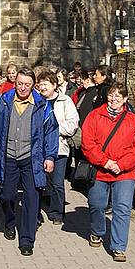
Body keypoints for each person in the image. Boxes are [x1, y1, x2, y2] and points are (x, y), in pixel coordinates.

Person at [0, 66, 59, 256]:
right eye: (19, 84)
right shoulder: (4, 101)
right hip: (8, 156)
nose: (23, 88)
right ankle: (9, 221)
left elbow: (51, 132)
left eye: (27, 85)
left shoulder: (42, 105)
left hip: (31, 158)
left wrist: (49, 156)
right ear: (15, 82)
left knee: (32, 199)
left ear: (33, 85)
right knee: (7, 195)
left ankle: (26, 239)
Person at [81, 83, 135, 261]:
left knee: (122, 208)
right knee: (96, 205)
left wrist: (121, 165)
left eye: (119, 96)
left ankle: (118, 246)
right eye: (111, 95)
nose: (114, 99)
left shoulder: (133, 121)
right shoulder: (94, 116)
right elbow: (88, 144)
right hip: (100, 170)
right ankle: (97, 231)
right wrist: (105, 162)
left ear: (125, 99)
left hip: (125, 172)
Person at [36, 70, 79, 225]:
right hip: (39, 149)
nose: (42, 87)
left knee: (57, 183)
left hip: (60, 147)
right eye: (40, 84)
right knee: (38, 181)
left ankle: (57, 213)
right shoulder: (37, 101)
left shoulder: (65, 100)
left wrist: (52, 128)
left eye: (45, 83)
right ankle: (36, 212)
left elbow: (72, 124)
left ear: (54, 85)